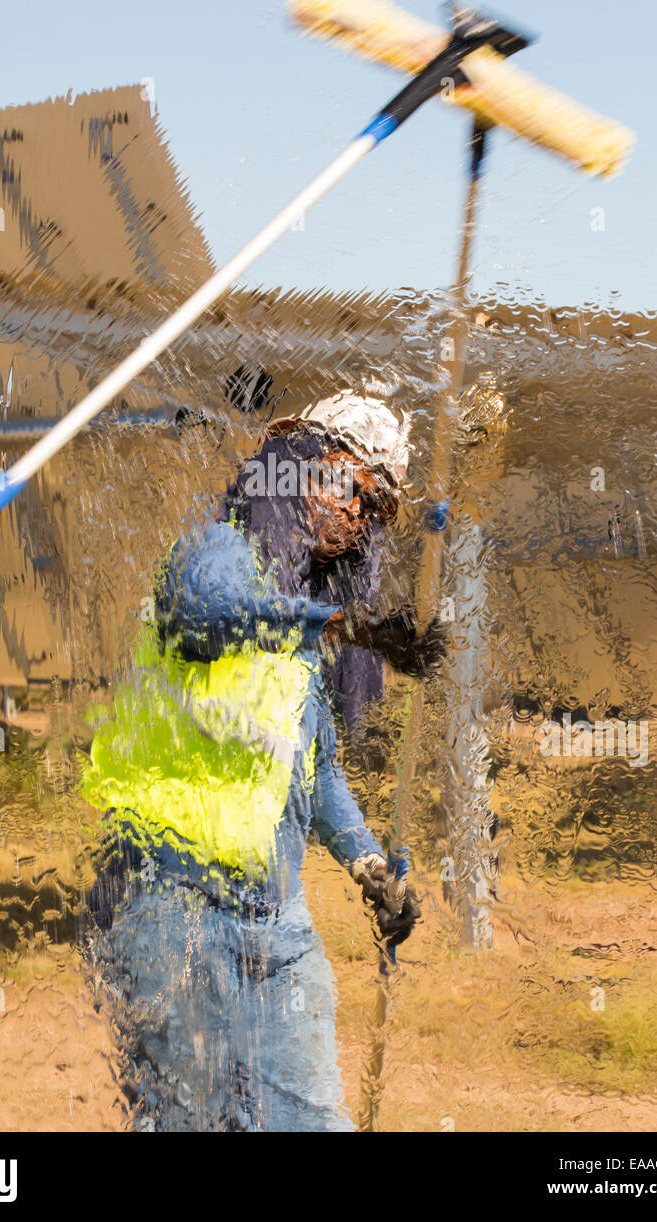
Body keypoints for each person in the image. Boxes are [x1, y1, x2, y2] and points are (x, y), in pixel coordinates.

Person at [80, 393, 445, 1132]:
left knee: (312, 1121)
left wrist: (371, 866)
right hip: (167, 904)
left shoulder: (304, 625)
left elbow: (318, 771)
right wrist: (337, 622)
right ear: (294, 467)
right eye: (347, 487)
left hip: (274, 924)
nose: (355, 517)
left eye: (373, 511)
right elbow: (199, 612)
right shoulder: (219, 551)